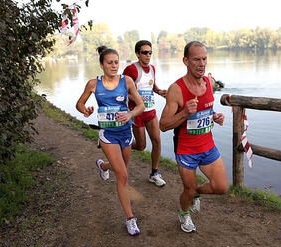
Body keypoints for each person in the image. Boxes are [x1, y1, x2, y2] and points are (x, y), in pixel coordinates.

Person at [159, 41, 229, 233]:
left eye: (204, 59)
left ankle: (196, 194)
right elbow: (163, 125)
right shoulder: (176, 89)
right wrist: (183, 114)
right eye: (196, 59)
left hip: (208, 146)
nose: (201, 64)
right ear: (186, 61)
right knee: (187, 191)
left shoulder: (209, 83)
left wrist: (214, 116)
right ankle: (184, 213)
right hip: (186, 150)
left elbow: (206, 107)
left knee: (221, 187)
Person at [75, 46, 145, 236]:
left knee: (118, 168)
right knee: (123, 176)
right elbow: (79, 104)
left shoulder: (127, 81)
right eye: (109, 63)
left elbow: (141, 105)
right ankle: (130, 218)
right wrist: (85, 110)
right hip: (108, 135)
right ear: (101, 65)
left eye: (116, 62)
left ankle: (103, 166)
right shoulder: (93, 84)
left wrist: (130, 113)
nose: (114, 66)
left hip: (125, 133)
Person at [123, 40, 167, 187]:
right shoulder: (131, 70)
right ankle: (121, 145)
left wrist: (160, 91)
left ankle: (154, 173)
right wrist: (134, 98)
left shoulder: (153, 69)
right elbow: (121, 91)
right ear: (137, 54)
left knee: (157, 140)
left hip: (151, 111)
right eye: (144, 52)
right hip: (136, 113)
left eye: (150, 52)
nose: (148, 55)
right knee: (141, 146)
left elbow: (151, 85)